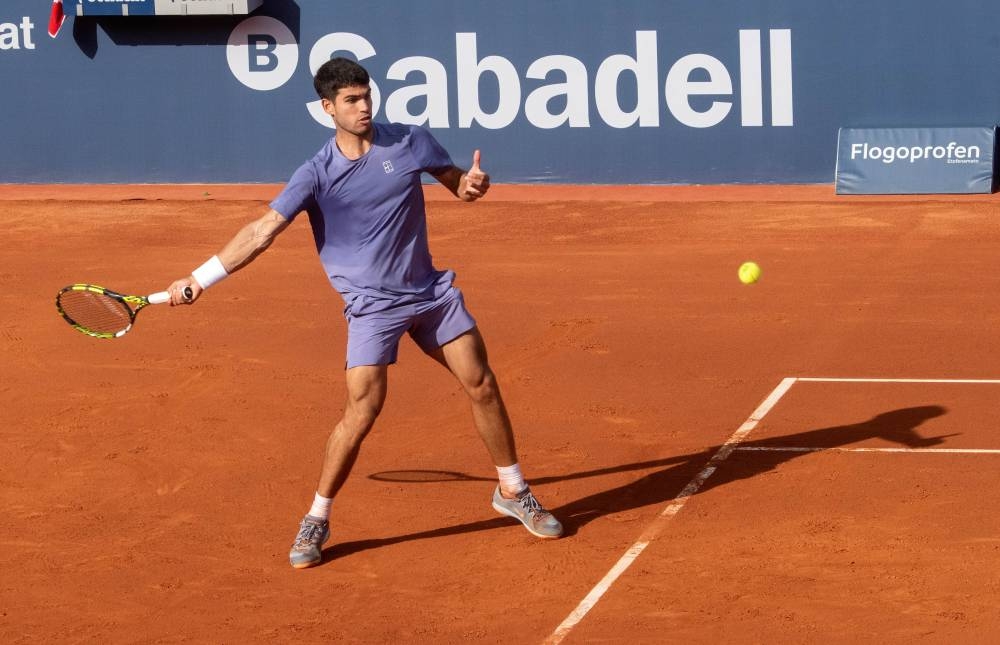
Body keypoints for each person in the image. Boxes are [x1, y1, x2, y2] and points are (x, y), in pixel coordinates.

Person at [166, 57, 563, 569]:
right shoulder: (315, 174)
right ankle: (316, 518)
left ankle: (512, 489)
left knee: (481, 382)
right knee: (362, 410)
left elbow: (456, 182)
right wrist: (200, 279)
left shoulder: (409, 140)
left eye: (367, 96)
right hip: (372, 309)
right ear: (327, 108)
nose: (363, 108)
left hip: (429, 295)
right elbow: (262, 232)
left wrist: (470, 186)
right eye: (351, 101)